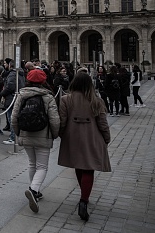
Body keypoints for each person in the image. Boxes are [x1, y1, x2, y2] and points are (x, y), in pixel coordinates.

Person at [58, 72, 111, 222]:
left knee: (78, 165)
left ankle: (84, 194)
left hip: (72, 138)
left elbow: (62, 121)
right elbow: (103, 123)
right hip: (92, 138)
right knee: (88, 167)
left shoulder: (65, 99)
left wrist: (63, 135)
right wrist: (106, 138)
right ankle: (84, 200)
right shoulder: (96, 100)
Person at [11, 69, 59, 213]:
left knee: (32, 163)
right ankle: (33, 189)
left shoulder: (22, 95)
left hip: (26, 133)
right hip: (42, 134)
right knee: (42, 166)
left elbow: (14, 117)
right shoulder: (48, 96)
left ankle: (35, 190)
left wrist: (18, 133)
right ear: (43, 81)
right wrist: (54, 135)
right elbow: (54, 120)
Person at [1, 60, 25, 145]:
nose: (4, 65)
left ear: (10, 65)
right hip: (18, 96)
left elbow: (10, 86)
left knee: (11, 118)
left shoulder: (12, 74)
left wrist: (2, 93)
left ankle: (13, 137)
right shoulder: (21, 73)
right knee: (16, 118)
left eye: (5, 64)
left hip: (11, 98)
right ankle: (16, 136)